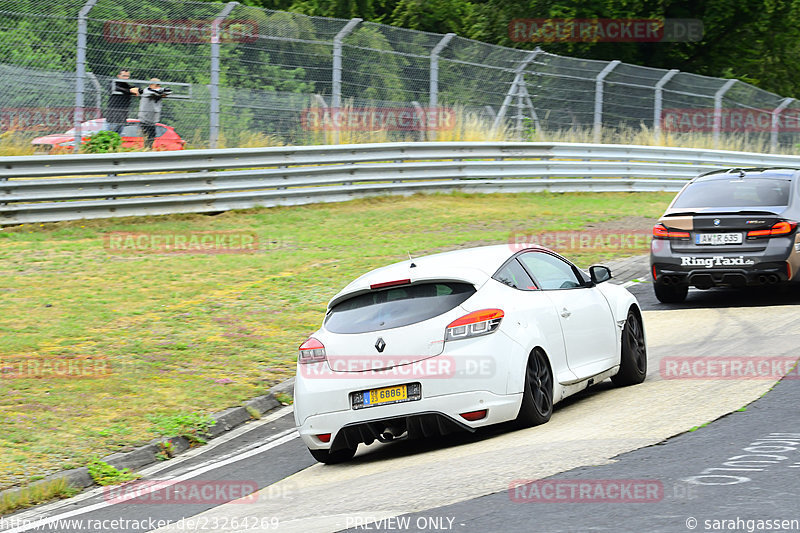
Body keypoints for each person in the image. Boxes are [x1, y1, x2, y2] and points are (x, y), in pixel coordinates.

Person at [137, 78, 171, 149]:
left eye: (159, 85)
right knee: (147, 137)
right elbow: (154, 93)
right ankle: (146, 150)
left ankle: (148, 150)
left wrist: (161, 92)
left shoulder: (158, 91)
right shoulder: (146, 91)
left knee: (152, 137)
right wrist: (160, 92)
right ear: (151, 85)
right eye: (156, 85)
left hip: (152, 121)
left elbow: (168, 91)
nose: (158, 87)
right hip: (145, 119)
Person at [105, 69, 139, 134]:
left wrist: (132, 90)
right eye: (124, 76)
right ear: (119, 76)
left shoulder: (127, 85)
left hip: (123, 118)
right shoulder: (113, 83)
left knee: (118, 138)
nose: (126, 78)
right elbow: (115, 87)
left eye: (127, 76)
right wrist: (129, 91)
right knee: (109, 136)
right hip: (113, 118)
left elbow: (136, 89)